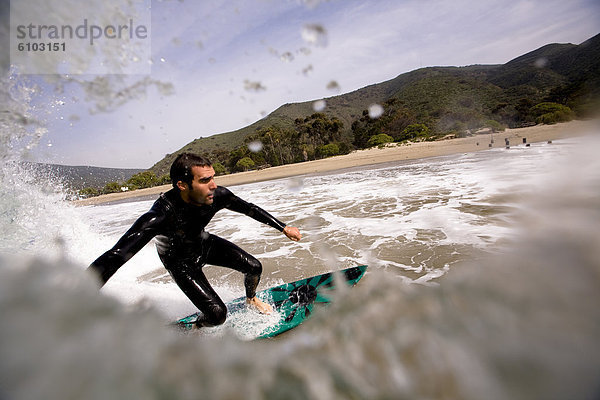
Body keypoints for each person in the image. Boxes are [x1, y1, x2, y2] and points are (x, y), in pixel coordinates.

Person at [88, 153, 302, 327]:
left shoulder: (217, 195)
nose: (213, 185)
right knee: (217, 315)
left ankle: (251, 299)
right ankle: (198, 326)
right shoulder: (160, 215)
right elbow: (116, 255)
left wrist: (283, 227)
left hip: (203, 244)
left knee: (254, 267)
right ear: (182, 185)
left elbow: (249, 209)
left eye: (213, 177)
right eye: (204, 180)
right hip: (179, 262)